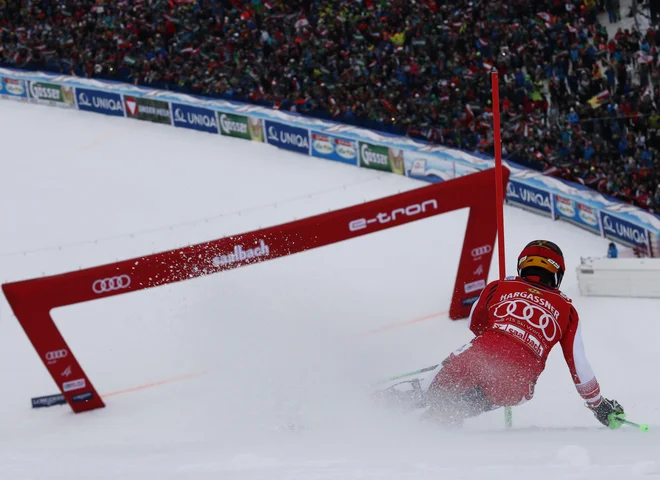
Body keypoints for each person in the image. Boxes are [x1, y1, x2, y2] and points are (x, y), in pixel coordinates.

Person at [423, 240, 625, 428]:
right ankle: (441, 419)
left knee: (427, 391)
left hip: (477, 357)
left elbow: (475, 324)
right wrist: (598, 405)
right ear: (557, 274)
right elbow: (578, 364)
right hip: (517, 382)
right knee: (459, 406)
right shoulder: (568, 310)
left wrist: (499, 335)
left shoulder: (499, 286)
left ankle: (402, 410)